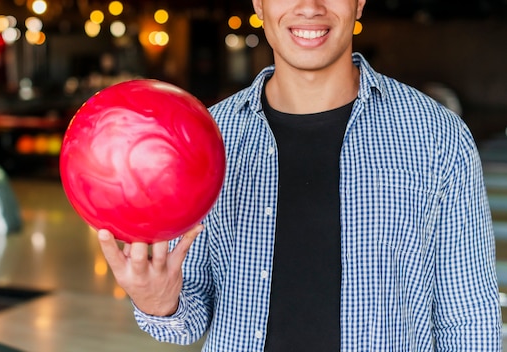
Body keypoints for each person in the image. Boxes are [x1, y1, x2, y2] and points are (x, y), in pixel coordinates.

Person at [98, 0, 502, 350]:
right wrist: (158, 301)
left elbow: (468, 316)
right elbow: (186, 324)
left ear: (359, 3)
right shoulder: (207, 141)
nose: (310, 7)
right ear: (259, 5)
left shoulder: (436, 136)